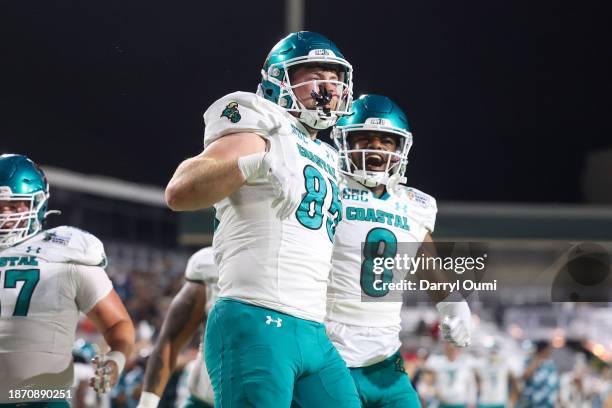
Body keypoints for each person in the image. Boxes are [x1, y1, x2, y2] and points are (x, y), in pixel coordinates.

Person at [164, 31, 359, 407]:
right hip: (256, 316)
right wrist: (255, 162)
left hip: (314, 331)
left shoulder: (331, 156)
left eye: (334, 77)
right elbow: (179, 191)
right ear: (279, 80)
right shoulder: (264, 126)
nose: (327, 86)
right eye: (313, 74)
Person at [320, 94, 472, 407]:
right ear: (344, 142)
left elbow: (426, 261)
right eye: (364, 139)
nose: (375, 148)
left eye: (386, 141)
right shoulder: (324, 186)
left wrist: (451, 303)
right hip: (327, 350)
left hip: (385, 357)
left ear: (400, 148)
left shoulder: (416, 204)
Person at [0, 153, 135, 406]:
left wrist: (116, 359)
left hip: (39, 399)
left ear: (37, 205)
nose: (5, 214)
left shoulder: (66, 250)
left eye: (14, 204)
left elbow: (117, 322)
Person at [137, 247, 217, 408]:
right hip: (204, 399)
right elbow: (169, 342)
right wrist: (146, 405)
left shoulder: (280, 265)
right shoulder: (210, 264)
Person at [424, 342, 477, 408]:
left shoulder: (465, 364)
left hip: (460, 403)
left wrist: (472, 402)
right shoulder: (436, 363)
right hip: (442, 403)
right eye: (449, 349)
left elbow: (471, 385)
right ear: (445, 349)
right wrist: (433, 392)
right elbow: (426, 383)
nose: (452, 351)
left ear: (458, 350)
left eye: (454, 349)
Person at [517, 340, 559, 408]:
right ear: (543, 350)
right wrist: (536, 360)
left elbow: (555, 384)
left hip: (548, 403)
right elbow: (524, 376)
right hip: (532, 403)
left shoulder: (550, 364)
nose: (550, 352)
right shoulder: (530, 360)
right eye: (548, 349)